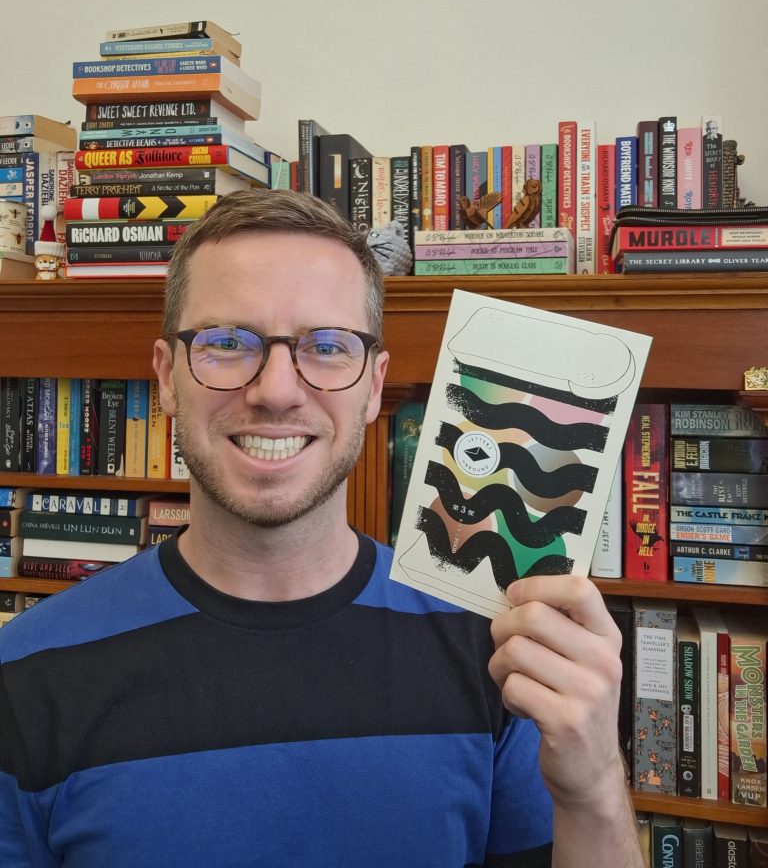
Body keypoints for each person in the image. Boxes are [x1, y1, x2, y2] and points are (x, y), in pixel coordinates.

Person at [0, 189, 644, 867]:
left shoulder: (497, 647)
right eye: (226, 343)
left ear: (373, 386)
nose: (277, 391)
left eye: (328, 347)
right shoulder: (26, 674)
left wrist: (596, 785)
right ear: (167, 377)